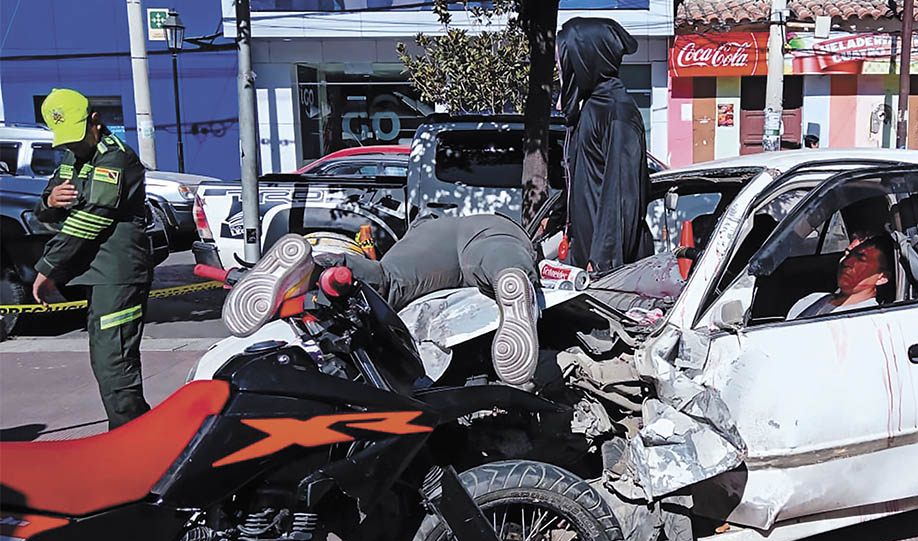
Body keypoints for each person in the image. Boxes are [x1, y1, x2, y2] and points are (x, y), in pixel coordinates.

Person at [224, 215, 542, 387]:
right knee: (498, 258)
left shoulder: (424, 226)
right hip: (498, 230)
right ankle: (510, 277)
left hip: (434, 235)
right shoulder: (508, 227)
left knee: (386, 278)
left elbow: (385, 278)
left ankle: (318, 265)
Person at [34, 89, 153, 429]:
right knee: (106, 362)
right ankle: (136, 437)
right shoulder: (75, 157)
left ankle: (134, 442)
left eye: (76, 135)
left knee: (114, 362)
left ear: (95, 121)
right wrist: (52, 201)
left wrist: (48, 269)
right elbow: (48, 208)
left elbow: (92, 218)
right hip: (96, 274)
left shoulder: (115, 158)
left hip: (117, 274)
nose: (71, 145)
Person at [557, 17, 654, 273]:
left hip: (607, 272)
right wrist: (555, 215)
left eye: (564, 63)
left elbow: (620, 194)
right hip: (585, 262)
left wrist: (602, 262)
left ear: (586, 60)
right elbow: (582, 177)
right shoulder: (591, 108)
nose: (561, 71)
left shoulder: (617, 113)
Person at [787, 234, 894, 320]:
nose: (847, 262)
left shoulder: (869, 319)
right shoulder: (812, 299)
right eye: (847, 254)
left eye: (861, 259)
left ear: (882, 277)